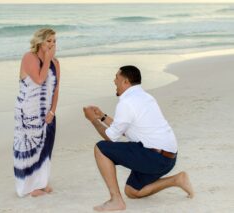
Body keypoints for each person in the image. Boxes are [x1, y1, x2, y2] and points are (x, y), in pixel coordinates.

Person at [83, 65, 194, 211]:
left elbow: (111, 138)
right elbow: (123, 128)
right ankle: (177, 179)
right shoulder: (145, 97)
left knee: (101, 148)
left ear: (126, 82)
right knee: (132, 191)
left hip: (154, 157)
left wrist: (93, 120)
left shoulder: (126, 103)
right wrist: (101, 117)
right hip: (168, 158)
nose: (114, 81)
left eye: (117, 77)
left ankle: (116, 200)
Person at [13, 28, 60, 197]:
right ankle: (30, 187)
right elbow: (40, 80)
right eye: (49, 41)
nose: (52, 44)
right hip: (29, 111)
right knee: (31, 147)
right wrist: (47, 59)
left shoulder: (55, 62)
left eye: (54, 41)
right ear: (40, 42)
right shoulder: (29, 58)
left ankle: (42, 182)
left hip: (47, 112)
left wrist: (53, 111)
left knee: (46, 146)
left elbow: (55, 89)